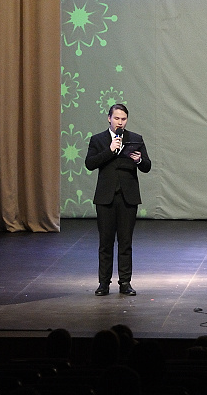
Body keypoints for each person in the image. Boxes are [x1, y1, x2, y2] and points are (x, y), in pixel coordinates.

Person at [85, 103, 151, 296]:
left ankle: (125, 283)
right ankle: (103, 283)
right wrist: (110, 150)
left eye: (123, 119)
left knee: (125, 242)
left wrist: (139, 160)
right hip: (105, 198)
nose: (120, 122)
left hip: (128, 197)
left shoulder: (135, 139)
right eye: (116, 118)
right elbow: (90, 163)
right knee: (105, 243)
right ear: (109, 118)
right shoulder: (98, 139)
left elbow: (147, 166)